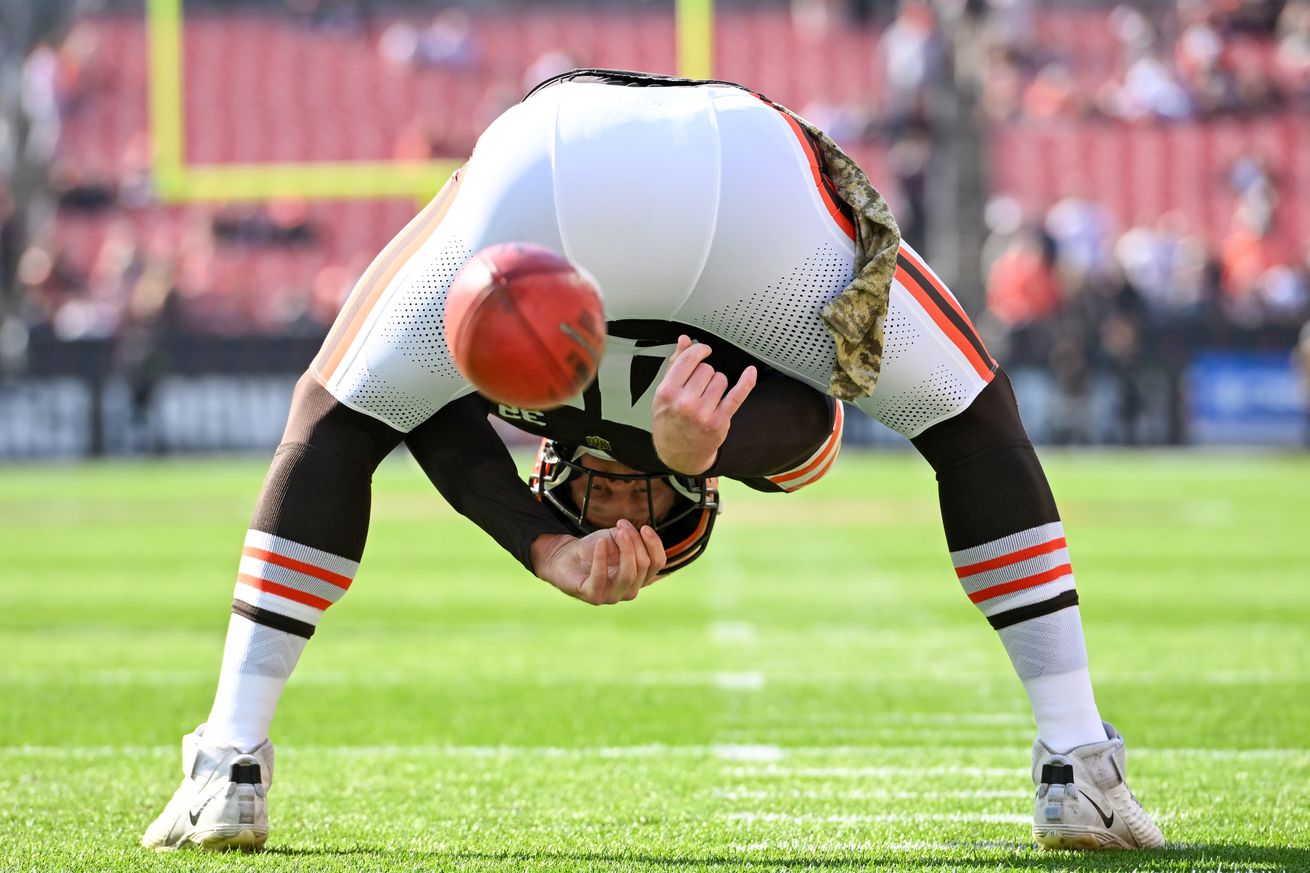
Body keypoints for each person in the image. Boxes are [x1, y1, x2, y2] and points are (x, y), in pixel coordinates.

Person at [142, 70, 1163, 854]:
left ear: (555, 480)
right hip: (740, 193)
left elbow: (405, 414)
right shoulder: (741, 433)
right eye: (652, 505)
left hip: (550, 174)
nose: (624, 499)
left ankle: (230, 755)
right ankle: (1074, 753)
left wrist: (538, 546)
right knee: (974, 421)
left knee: (329, 415)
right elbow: (811, 431)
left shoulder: (516, 412)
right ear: (695, 496)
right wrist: (696, 446)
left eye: (604, 508)